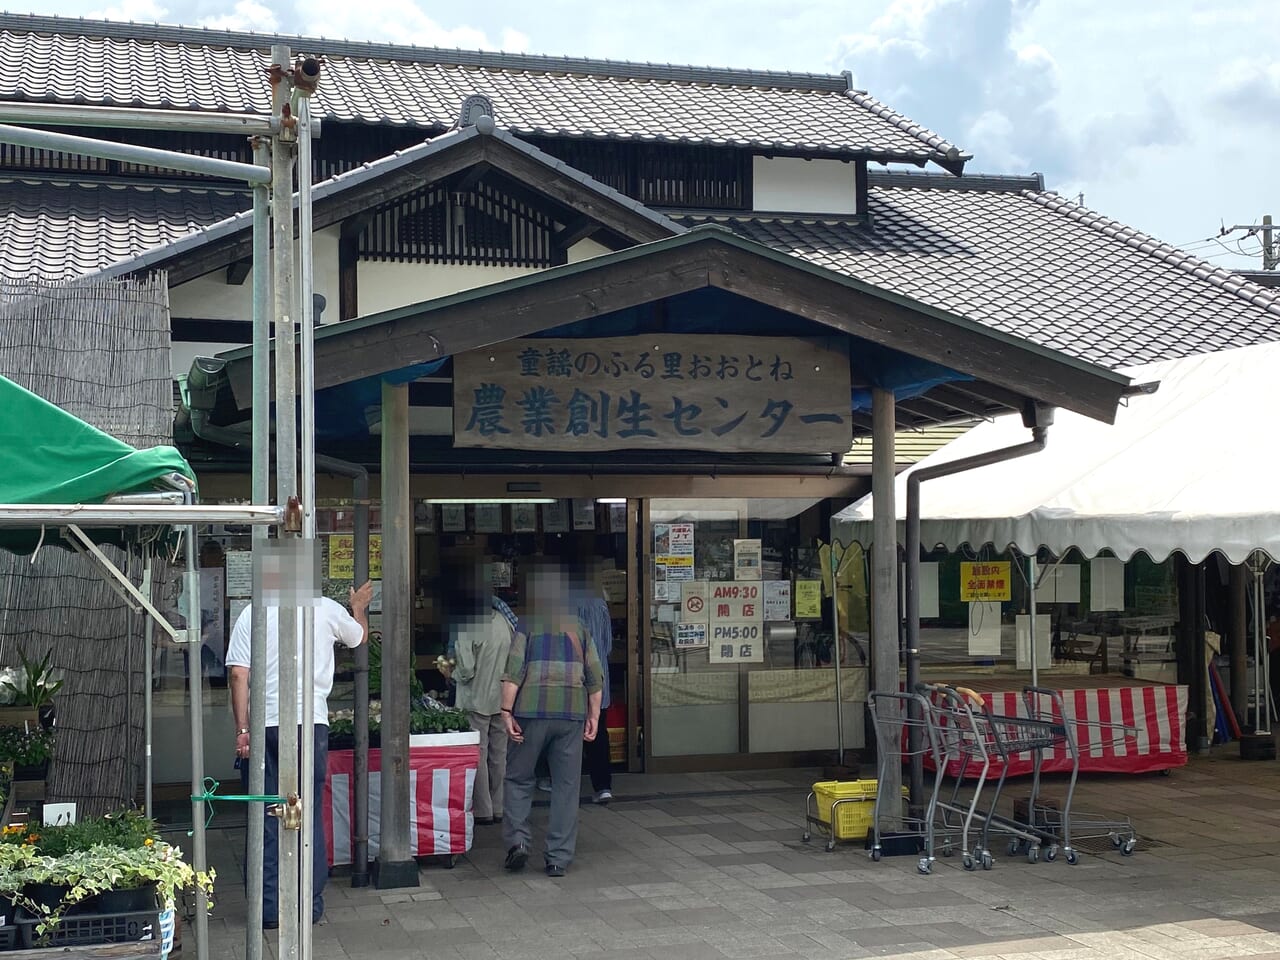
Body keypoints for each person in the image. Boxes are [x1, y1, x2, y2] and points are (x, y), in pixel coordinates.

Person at [227, 579, 372, 929]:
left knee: (266, 815)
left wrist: (243, 729)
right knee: (305, 811)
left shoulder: (252, 612)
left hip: (265, 727)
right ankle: (308, 905)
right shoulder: (324, 607)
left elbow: (237, 674)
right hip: (311, 724)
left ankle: (267, 908)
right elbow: (358, 637)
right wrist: (358, 609)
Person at [500, 564, 603, 878]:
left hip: (531, 713)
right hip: (571, 714)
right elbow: (595, 678)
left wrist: (506, 711)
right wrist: (594, 715)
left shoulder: (526, 625)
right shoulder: (580, 629)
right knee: (566, 786)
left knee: (518, 777)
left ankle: (518, 842)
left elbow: (513, 671)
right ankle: (558, 857)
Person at [447, 564, 515, 826]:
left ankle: (483, 809)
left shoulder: (469, 626)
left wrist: (449, 672)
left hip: (475, 700)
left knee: (479, 754)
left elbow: (465, 670)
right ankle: (499, 806)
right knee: (500, 755)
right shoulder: (504, 622)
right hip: (502, 699)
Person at [574, 566, 615, 804]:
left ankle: (563, 781)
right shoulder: (600, 602)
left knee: (569, 735)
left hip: (574, 680)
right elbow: (608, 645)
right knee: (598, 732)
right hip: (600, 679)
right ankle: (603, 786)